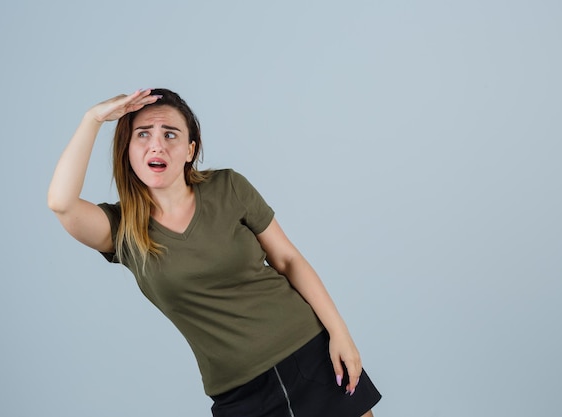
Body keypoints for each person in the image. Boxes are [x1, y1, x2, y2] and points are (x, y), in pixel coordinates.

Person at [48, 88, 381, 417]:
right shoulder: (123, 229)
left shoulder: (228, 187)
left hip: (311, 353)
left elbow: (288, 260)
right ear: (128, 149)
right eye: (143, 134)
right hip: (239, 392)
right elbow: (61, 204)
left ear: (190, 149)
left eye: (170, 134)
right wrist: (92, 119)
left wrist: (340, 332)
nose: (156, 144)